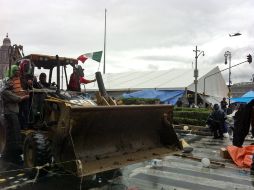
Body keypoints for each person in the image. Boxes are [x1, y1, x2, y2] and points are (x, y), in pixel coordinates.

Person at [1, 80, 29, 161]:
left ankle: (14, 151)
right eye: (11, 83)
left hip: (12, 113)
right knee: (15, 132)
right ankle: (14, 152)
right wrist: (25, 96)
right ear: (7, 84)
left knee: (15, 131)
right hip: (10, 113)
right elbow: (16, 99)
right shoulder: (5, 92)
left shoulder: (9, 91)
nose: (12, 85)